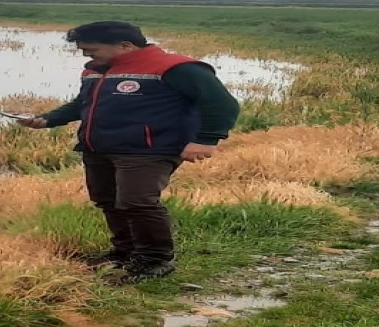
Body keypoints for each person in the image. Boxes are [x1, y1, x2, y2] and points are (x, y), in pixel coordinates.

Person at [18, 21, 240, 284]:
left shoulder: (176, 68)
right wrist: (47, 119)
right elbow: (83, 104)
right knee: (108, 200)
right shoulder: (95, 70)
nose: (86, 55)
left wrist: (206, 140)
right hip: (98, 147)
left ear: (125, 45)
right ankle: (125, 253)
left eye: (91, 49)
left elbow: (222, 104)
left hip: (149, 149)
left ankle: (155, 261)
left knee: (137, 202)